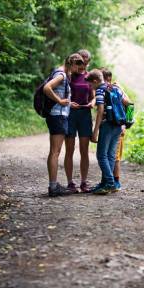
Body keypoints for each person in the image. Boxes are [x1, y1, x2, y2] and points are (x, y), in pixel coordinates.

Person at [43, 53, 83, 197]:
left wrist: (67, 103)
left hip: (59, 114)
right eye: (76, 66)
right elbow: (47, 88)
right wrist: (59, 101)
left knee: (55, 151)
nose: (77, 69)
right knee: (55, 152)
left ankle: (53, 185)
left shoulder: (60, 73)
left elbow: (59, 92)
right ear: (71, 64)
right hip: (57, 116)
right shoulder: (62, 75)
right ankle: (53, 187)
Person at [85, 69, 130, 194]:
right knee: (110, 155)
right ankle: (106, 183)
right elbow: (129, 103)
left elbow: (100, 111)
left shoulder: (100, 90)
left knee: (101, 155)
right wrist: (127, 123)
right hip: (118, 124)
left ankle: (109, 182)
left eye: (90, 85)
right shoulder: (114, 88)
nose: (91, 88)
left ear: (95, 81)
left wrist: (95, 131)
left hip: (107, 124)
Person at [63, 49, 94, 193]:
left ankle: (84, 182)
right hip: (70, 115)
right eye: (82, 59)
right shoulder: (67, 77)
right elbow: (61, 94)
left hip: (85, 114)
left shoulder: (89, 77)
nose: (84, 61)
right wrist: (69, 103)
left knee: (84, 151)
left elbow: (94, 96)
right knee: (69, 150)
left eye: (87, 59)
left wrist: (92, 103)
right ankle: (70, 183)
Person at [101, 68, 131, 191]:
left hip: (117, 125)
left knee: (114, 156)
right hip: (109, 126)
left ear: (107, 79)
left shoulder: (116, 90)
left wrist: (125, 124)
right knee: (108, 155)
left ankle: (115, 181)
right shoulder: (104, 90)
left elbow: (129, 104)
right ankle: (106, 181)